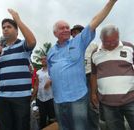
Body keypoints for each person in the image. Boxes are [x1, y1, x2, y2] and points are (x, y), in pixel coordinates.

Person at [47, 0, 117, 130]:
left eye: (68, 27)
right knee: (63, 128)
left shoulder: (78, 42)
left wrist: (111, 3)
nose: (67, 30)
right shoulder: (50, 51)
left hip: (77, 97)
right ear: (55, 33)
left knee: (80, 128)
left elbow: (95, 20)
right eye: (62, 28)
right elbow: (51, 73)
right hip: (58, 99)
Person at [0, 9, 36, 130]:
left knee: (21, 127)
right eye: (3, 27)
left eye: (9, 26)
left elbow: (32, 41)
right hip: (3, 97)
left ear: (16, 30)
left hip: (21, 96)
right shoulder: (0, 49)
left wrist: (17, 20)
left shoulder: (22, 45)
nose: (5, 29)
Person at [91, 24, 134, 130]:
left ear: (119, 36)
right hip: (107, 103)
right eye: (107, 42)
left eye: (114, 41)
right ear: (101, 39)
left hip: (131, 100)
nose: (111, 45)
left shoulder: (129, 47)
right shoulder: (95, 53)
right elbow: (94, 74)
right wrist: (93, 93)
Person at [71, 25, 99, 130]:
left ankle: (94, 127)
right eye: (72, 33)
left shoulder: (93, 45)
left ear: (83, 33)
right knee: (79, 106)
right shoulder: (70, 47)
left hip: (90, 76)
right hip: (77, 79)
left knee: (92, 105)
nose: (74, 35)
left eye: (76, 32)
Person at [33, 56, 55, 129]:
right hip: (40, 98)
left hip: (50, 97)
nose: (43, 60)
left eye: (45, 59)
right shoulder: (38, 72)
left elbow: (58, 79)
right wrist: (33, 96)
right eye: (41, 59)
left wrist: (51, 80)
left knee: (52, 118)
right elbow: (36, 85)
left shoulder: (52, 70)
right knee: (42, 118)